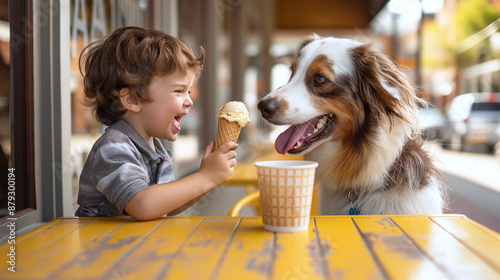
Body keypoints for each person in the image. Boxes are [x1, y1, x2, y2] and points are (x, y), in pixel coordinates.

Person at [75, 26, 238, 221]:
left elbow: (165, 207)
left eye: (189, 90)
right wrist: (205, 177)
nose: (189, 100)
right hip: (102, 247)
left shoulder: (156, 150)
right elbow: (143, 205)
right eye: (179, 91)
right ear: (132, 100)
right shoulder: (113, 147)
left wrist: (208, 180)